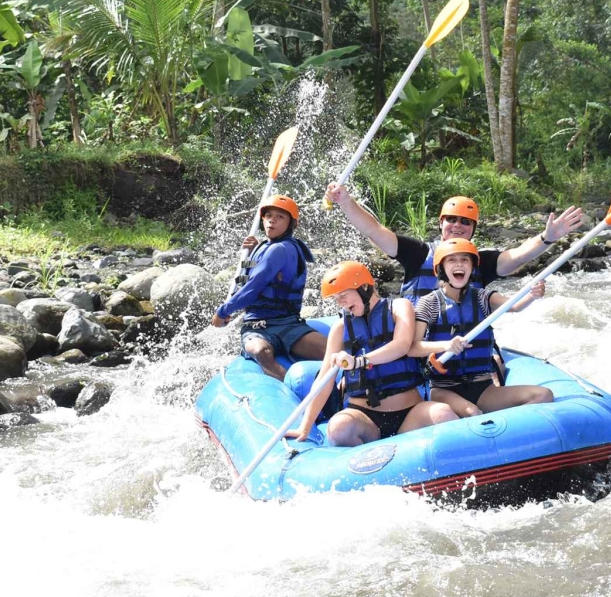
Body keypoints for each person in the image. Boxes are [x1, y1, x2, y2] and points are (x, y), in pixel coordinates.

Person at [288, 261, 458, 446]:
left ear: (365, 288)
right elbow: (324, 380)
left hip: (410, 414)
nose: (341, 302)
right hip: (365, 419)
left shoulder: (399, 307)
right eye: (337, 298)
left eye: (344, 295)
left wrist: (359, 361)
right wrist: (305, 427)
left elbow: (401, 345)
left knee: (443, 413)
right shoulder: (340, 328)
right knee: (339, 427)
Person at [324, 185, 586, 300]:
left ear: (473, 229)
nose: (458, 225)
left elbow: (517, 256)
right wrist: (346, 202)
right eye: (452, 219)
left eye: (465, 221)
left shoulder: (482, 261)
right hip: (420, 344)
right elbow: (373, 230)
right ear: (441, 223)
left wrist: (547, 238)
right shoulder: (418, 253)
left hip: (461, 346)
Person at [411, 239, 554, 418]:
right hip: (444, 388)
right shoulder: (428, 303)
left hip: (482, 386)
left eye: (465, 260)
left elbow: (514, 305)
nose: (459, 264)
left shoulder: (483, 298)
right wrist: (445, 346)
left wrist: (531, 296)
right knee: (472, 413)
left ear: (472, 267)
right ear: (441, 268)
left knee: (543, 394)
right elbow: (413, 348)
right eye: (452, 260)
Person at [211, 194, 326, 379]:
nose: (272, 220)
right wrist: (252, 252)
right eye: (268, 215)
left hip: (287, 323)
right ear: (262, 219)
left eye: (280, 217)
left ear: (291, 224)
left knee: (331, 350)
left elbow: (252, 289)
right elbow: (243, 280)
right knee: (260, 350)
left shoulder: (280, 249)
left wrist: (223, 311)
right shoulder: (263, 246)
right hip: (257, 326)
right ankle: (290, 392)